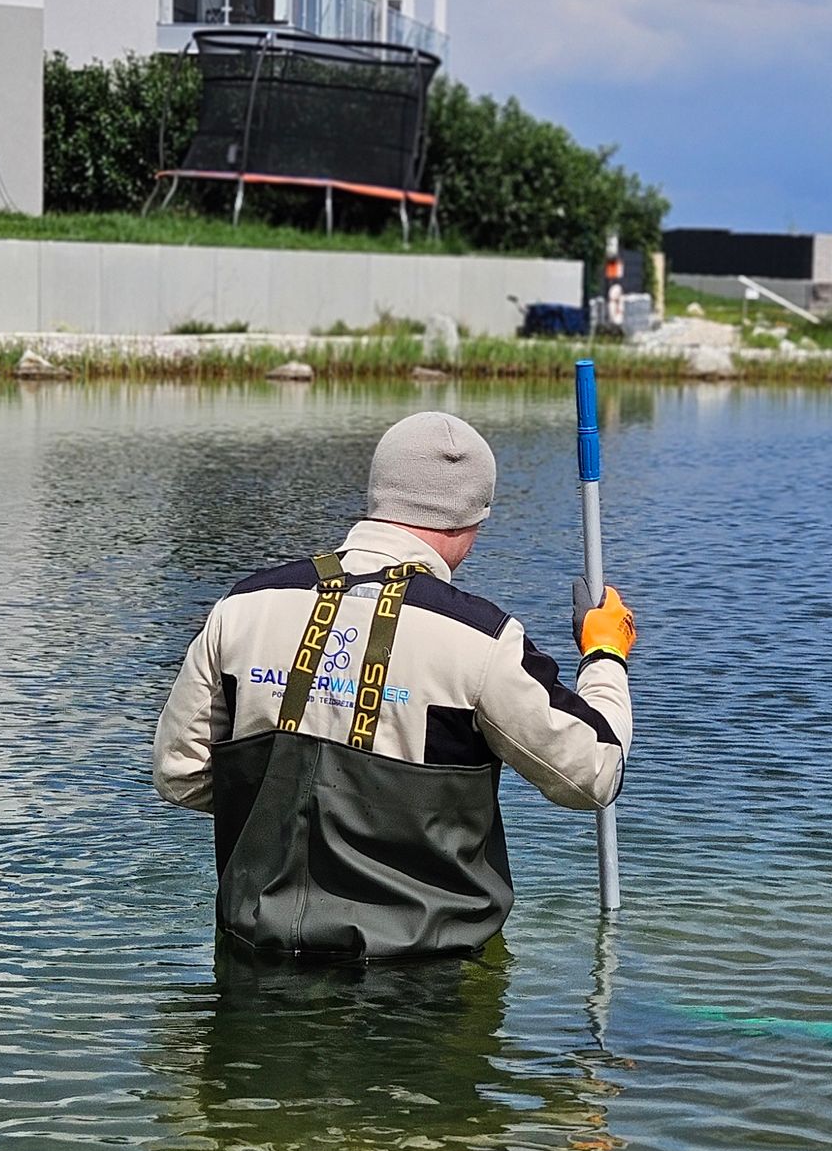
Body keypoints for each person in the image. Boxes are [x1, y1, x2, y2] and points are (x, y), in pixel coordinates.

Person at [152, 409, 636, 957]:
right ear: (473, 521)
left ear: (378, 495)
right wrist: (604, 655)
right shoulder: (479, 639)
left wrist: (296, 814)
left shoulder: (243, 608)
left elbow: (180, 773)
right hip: (425, 983)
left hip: (253, 957)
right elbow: (593, 772)